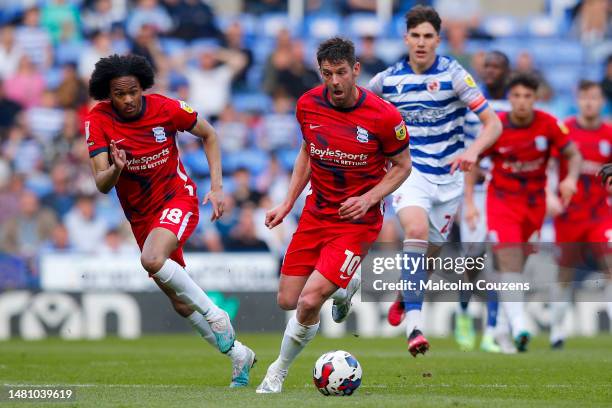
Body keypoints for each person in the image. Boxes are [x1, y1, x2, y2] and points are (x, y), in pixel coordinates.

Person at [85, 54, 255, 386]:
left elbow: (210, 135)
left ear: (142, 87)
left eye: (133, 90)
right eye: (120, 94)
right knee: (179, 301)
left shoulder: (166, 108)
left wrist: (218, 188)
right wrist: (116, 169)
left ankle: (217, 316)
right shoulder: (98, 120)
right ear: (108, 94)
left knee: (151, 258)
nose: (129, 99)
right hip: (140, 216)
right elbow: (101, 184)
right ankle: (239, 356)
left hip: (177, 197)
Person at [256, 37, 412, 393]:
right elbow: (307, 154)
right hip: (316, 212)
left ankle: (277, 372)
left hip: (357, 220)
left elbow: (403, 166)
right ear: (320, 72)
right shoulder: (307, 105)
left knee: (310, 301)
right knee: (287, 300)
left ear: (356, 70)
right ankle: (345, 288)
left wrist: (370, 198)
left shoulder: (384, 115)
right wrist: (287, 203)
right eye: (328, 74)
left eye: (342, 73)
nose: (336, 81)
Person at [368, 5, 502, 356]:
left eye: (428, 36)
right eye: (416, 36)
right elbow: (359, 111)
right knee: (413, 232)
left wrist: (472, 151)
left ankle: (404, 295)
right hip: (410, 173)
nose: (422, 42)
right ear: (406, 38)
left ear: (438, 40)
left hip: (450, 181)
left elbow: (493, 124)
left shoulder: (455, 75)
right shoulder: (387, 80)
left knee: (430, 253)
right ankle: (415, 328)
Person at [464, 73, 582, 352]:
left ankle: (504, 329)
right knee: (509, 261)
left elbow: (573, 154)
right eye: (516, 96)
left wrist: (570, 179)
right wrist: (469, 203)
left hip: (534, 205)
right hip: (502, 203)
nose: (521, 102)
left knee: (520, 268)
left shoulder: (548, 124)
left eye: (527, 96)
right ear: (509, 99)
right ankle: (520, 326)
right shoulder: (497, 126)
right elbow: (472, 161)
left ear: (535, 99)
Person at [549, 80, 612, 349]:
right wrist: (549, 196)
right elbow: (548, 165)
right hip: (569, 214)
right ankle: (557, 329)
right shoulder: (565, 131)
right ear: (577, 99)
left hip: (601, 214)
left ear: (601, 101)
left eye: (594, 97)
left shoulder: (609, 134)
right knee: (565, 274)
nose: (589, 102)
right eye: (584, 97)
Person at [457, 50, 512, 354]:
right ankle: (464, 313)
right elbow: (465, 150)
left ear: (507, 70)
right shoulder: (471, 104)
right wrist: (467, 200)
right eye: (486, 65)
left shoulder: (515, 105)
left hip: (504, 194)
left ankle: (493, 329)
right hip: (474, 192)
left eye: (496, 66)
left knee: (500, 263)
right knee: (473, 262)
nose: (490, 71)